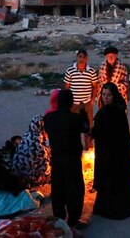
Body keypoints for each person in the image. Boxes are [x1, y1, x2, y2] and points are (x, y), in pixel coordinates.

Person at [91, 83, 130, 220]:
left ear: (114, 96)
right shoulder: (110, 110)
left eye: (109, 95)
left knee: (115, 179)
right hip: (110, 152)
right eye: (103, 95)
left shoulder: (114, 112)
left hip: (114, 153)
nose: (105, 98)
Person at [44, 89, 90, 229]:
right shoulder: (75, 119)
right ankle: (74, 219)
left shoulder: (49, 118)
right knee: (74, 189)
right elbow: (86, 128)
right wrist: (82, 111)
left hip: (57, 159)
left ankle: (59, 218)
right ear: (71, 102)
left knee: (58, 188)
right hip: (72, 159)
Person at [64, 49, 100, 149]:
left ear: (86, 58)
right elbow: (66, 87)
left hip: (86, 103)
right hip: (74, 104)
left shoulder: (91, 71)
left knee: (88, 127)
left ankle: (89, 149)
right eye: (80, 57)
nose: (81, 59)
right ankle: (74, 148)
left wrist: (92, 100)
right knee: (73, 127)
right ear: (77, 58)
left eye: (83, 57)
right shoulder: (70, 70)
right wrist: (67, 102)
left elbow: (95, 86)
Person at [11, 115, 52, 187]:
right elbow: (45, 168)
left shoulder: (27, 135)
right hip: (29, 178)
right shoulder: (37, 143)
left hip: (18, 172)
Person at [98, 46, 129, 111]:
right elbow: (100, 82)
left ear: (116, 56)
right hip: (105, 96)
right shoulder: (102, 66)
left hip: (118, 95)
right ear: (106, 57)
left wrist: (113, 90)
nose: (110, 58)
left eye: (112, 56)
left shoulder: (122, 67)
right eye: (108, 56)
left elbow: (125, 83)